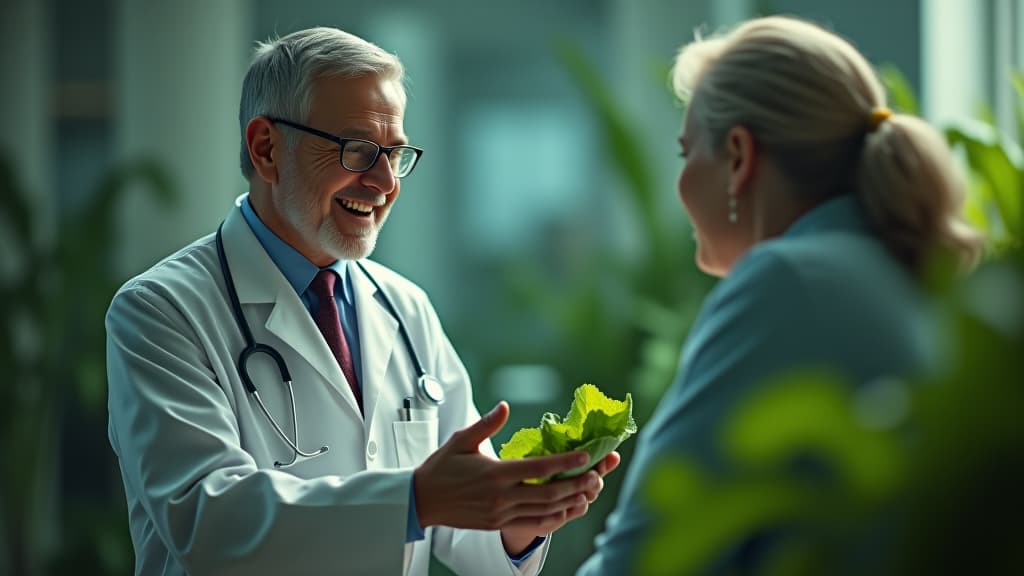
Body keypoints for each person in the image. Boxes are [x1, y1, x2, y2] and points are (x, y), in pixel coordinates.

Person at [106, 27, 619, 576]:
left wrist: (522, 517)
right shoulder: (161, 311)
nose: (383, 181)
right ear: (267, 148)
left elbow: (468, 533)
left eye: (395, 154)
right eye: (358, 150)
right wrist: (417, 500)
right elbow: (211, 525)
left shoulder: (404, 307)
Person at [577, 15, 981, 575]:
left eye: (685, 153)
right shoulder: (893, 270)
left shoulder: (788, 282)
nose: (681, 181)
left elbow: (647, 557)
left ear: (739, 158)